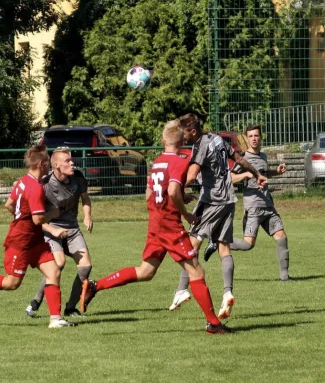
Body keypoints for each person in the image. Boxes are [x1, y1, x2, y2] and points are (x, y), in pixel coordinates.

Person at [79, 120, 231, 334]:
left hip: (156, 222)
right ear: (183, 140)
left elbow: (150, 195)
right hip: (169, 224)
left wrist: (170, 204)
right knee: (196, 271)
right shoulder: (180, 161)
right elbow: (171, 191)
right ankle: (213, 324)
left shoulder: (157, 161)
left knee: (146, 271)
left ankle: (95, 286)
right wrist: (185, 212)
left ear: (163, 141)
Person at [0, 145, 77, 328]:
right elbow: (37, 219)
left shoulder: (22, 181)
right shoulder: (35, 187)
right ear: (42, 164)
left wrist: (22, 217)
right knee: (12, 283)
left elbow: (9, 204)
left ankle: (55, 319)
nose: (49, 167)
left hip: (34, 240)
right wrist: (53, 213)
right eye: (48, 163)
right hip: (20, 242)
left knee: (54, 272)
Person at [168, 113, 267, 320]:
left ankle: (181, 289)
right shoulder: (218, 139)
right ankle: (228, 292)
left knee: (191, 243)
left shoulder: (201, 144)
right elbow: (239, 159)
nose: (181, 136)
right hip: (229, 200)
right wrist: (258, 175)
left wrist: (171, 186)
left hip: (212, 201)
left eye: (184, 133)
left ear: (192, 131)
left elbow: (193, 175)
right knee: (223, 246)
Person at [203, 125, 289, 281]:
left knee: (281, 236)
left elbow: (262, 173)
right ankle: (217, 241)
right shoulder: (244, 159)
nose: (254, 139)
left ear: (261, 137)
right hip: (253, 208)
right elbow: (229, 178)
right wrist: (246, 175)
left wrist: (277, 172)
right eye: (250, 136)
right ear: (246, 139)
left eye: (256, 135)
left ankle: (285, 278)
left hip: (268, 206)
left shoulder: (263, 156)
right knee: (248, 244)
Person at [25, 147, 93, 318]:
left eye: (71, 160)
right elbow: (36, 219)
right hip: (50, 228)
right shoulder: (45, 184)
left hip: (72, 228)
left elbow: (85, 198)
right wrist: (52, 230)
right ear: (55, 165)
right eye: (67, 161)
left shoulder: (77, 177)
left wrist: (87, 216)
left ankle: (70, 307)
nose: (72, 163)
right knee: (58, 264)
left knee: (86, 266)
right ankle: (35, 302)